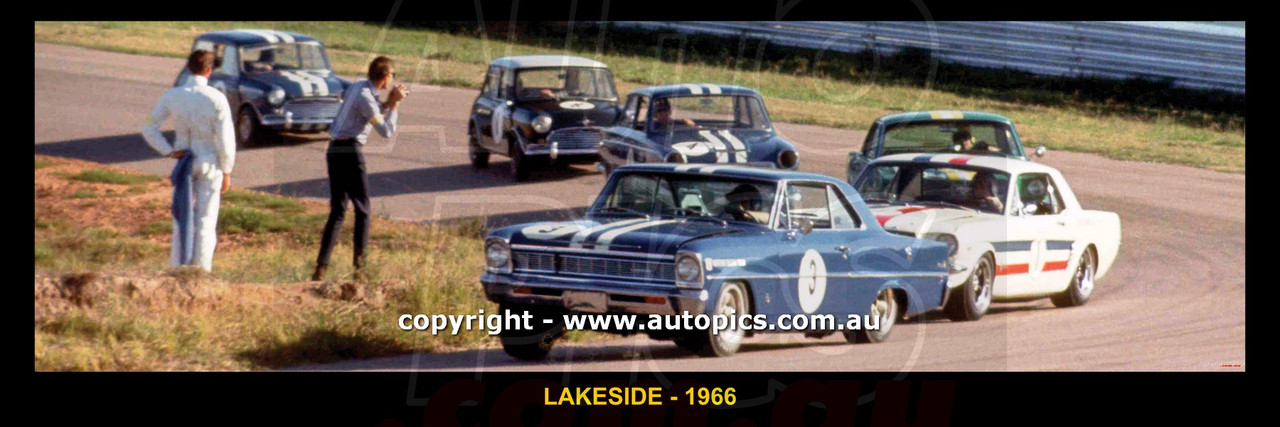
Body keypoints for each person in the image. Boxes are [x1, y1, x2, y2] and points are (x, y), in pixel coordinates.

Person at [312, 56, 408, 281]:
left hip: (334, 151)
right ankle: (360, 269)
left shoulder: (358, 87)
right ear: (385, 77)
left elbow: (369, 111)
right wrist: (395, 104)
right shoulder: (366, 97)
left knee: (338, 211)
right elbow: (385, 131)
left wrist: (387, 102)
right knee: (363, 210)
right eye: (392, 75)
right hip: (350, 152)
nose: (392, 80)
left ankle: (321, 267)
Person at [141, 50, 236, 272]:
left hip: (183, 160)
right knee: (206, 219)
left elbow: (149, 128)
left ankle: (178, 266)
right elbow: (226, 139)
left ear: (189, 67)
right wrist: (227, 170)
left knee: (181, 215)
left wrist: (168, 151)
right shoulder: (216, 98)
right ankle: (201, 270)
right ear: (209, 71)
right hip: (209, 160)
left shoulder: (172, 95)